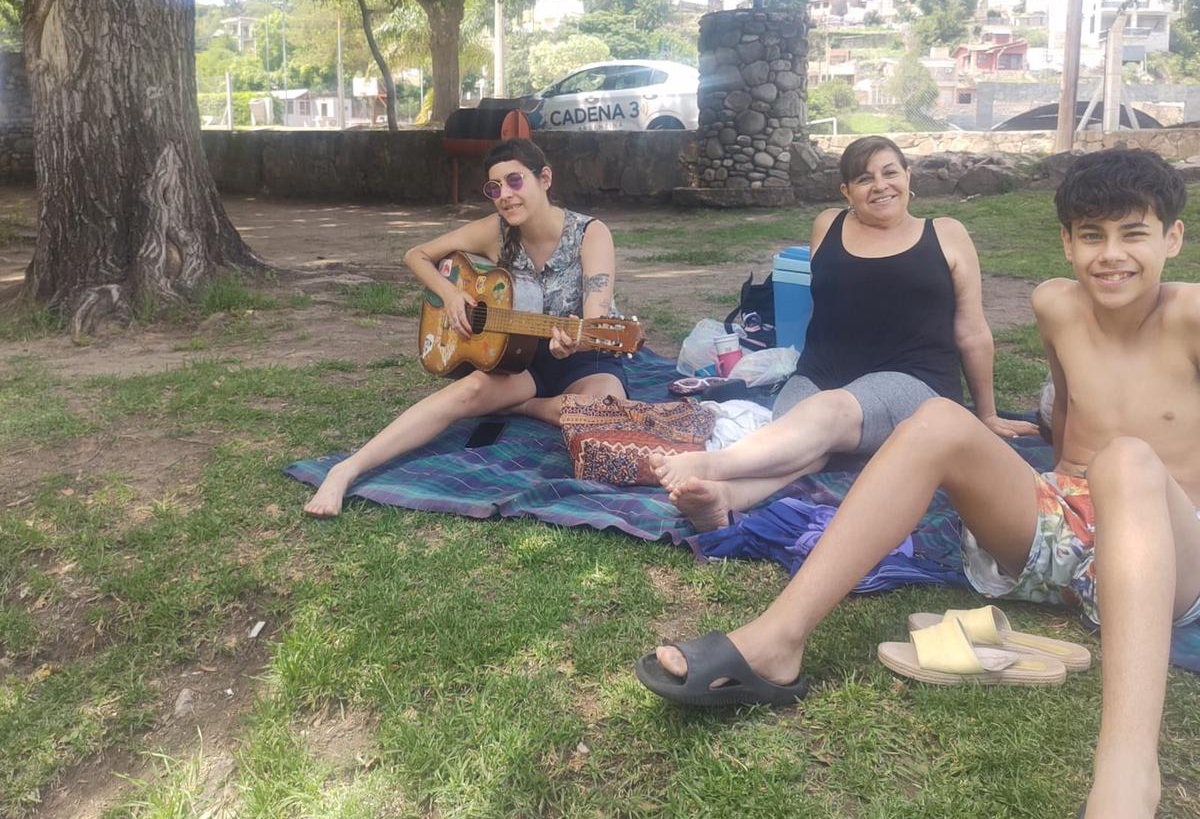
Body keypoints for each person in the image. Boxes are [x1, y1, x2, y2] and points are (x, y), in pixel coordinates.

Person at [636, 148, 1199, 819]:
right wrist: (1007, 436)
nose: (1112, 255)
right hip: (1059, 529)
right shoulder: (1056, 305)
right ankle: (776, 641)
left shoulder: (1192, 316)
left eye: (1133, 234)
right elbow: (1072, 412)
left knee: (1127, 459)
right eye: (1092, 235)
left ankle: (1126, 778)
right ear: (1067, 244)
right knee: (937, 418)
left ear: (1172, 237)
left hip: (1164, 547)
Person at [651, 135, 1035, 531]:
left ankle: (712, 466)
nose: (881, 185)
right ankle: (725, 499)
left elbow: (971, 330)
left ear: (908, 175)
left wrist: (986, 414)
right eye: (864, 179)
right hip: (822, 371)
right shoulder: (828, 226)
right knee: (803, 441)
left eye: (890, 172)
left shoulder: (946, 233)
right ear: (846, 191)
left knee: (825, 417)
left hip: (913, 380)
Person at [303, 138, 627, 517]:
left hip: (586, 355)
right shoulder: (496, 230)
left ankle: (523, 406)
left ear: (545, 179)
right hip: (522, 355)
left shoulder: (591, 233)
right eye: (495, 188)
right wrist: (450, 294)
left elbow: (595, 315)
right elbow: (416, 255)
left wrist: (576, 340)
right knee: (467, 390)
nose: (505, 195)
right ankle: (347, 470)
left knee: (606, 411)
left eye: (515, 181)